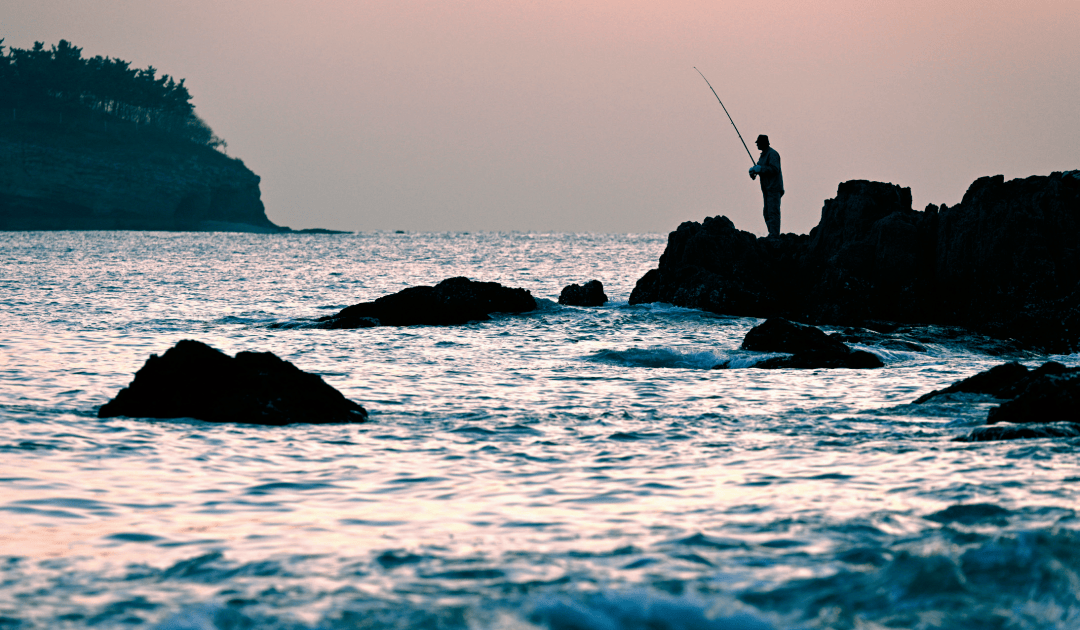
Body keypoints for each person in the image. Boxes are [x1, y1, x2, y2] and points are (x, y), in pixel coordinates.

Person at [748, 134, 783, 237]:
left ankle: (774, 235)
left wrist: (760, 169)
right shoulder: (763, 155)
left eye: (758, 143)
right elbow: (760, 169)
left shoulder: (772, 154)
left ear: (764, 143)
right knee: (767, 212)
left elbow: (775, 169)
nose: (757, 145)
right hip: (766, 189)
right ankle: (772, 233)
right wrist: (753, 172)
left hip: (774, 188)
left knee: (773, 211)